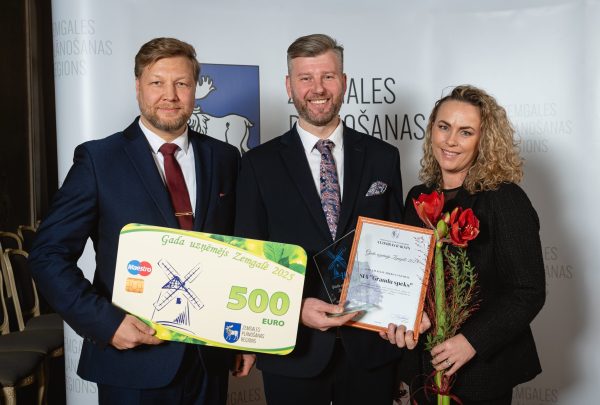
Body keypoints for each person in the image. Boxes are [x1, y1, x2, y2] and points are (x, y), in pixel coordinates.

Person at [28, 37, 254, 405]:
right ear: (138, 87)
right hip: (132, 360)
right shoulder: (99, 160)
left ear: (194, 89)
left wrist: (245, 334)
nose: (170, 95)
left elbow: (240, 252)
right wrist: (106, 323)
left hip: (208, 360)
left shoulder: (225, 158)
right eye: (157, 83)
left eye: (181, 83)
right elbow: (47, 255)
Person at [234, 33, 427, 405]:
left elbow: (398, 248)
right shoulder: (258, 164)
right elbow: (249, 258)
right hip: (295, 350)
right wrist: (295, 308)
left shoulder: (383, 157)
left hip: (371, 349)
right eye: (305, 78)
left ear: (344, 81)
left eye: (328, 76)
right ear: (289, 86)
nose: (318, 88)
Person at [395, 85, 545, 404]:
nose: (450, 140)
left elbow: (528, 291)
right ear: (432, 130)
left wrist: (471, 341)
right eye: (444, 127)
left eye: (465, 132)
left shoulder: (504, 199)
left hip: (481, 373)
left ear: (484, 141)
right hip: (424, 367)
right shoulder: (418, 197)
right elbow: (409, 277)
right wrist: (412, 314)